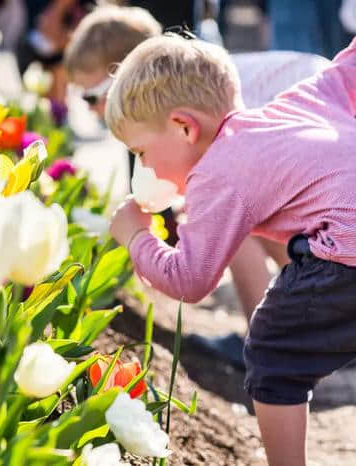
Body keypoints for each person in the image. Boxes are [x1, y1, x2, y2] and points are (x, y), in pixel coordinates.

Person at [107, 34, 356, 466]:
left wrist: (135, 235)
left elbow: (189, 280)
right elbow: (345, 69)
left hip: (345, 251)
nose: (142, 167)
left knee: (274, 352)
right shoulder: (294, 105)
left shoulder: (217, 172)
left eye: (141, 152)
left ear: (185, 127)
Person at [63, 5, 330, 368]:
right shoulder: (192, 93)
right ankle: (312, 322)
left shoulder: (197, 114)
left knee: (237, 222)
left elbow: (213, 245)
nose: (91, 110)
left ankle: (267, 341)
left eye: (91, 96)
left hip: (320, 125)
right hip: (317, 122)